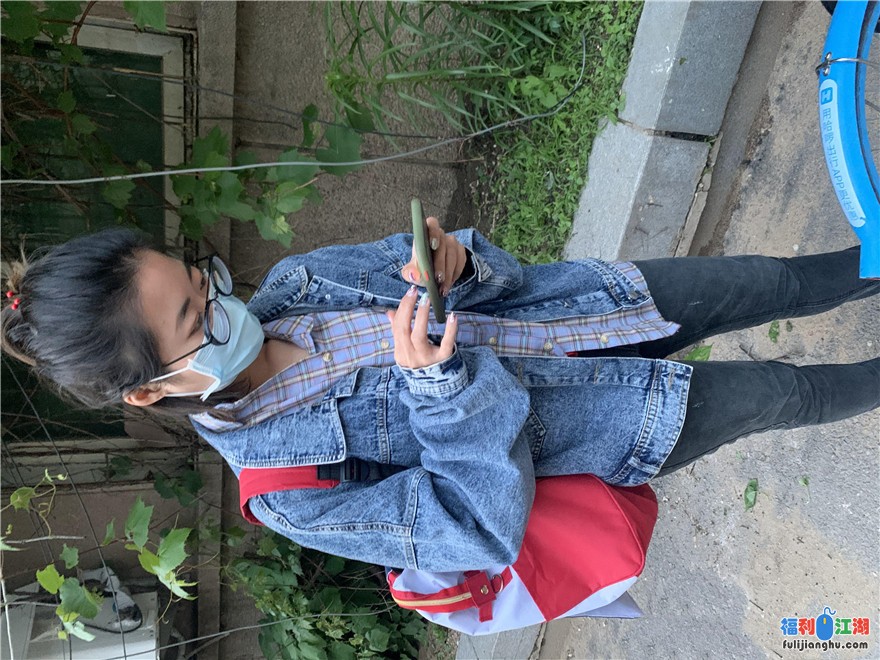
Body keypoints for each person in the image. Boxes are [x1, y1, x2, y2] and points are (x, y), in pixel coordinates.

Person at [2, 221, 878, 571]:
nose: (227, 304)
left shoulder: (301, 283)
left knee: (773, 280)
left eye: (202, 277)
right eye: (198, 319)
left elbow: (494, 274)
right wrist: (439, 388)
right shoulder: (288, 489)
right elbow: (476, 532)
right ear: (152, 392)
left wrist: (458, 261)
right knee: (787, 392)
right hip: (623, 421)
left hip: (601, 304)